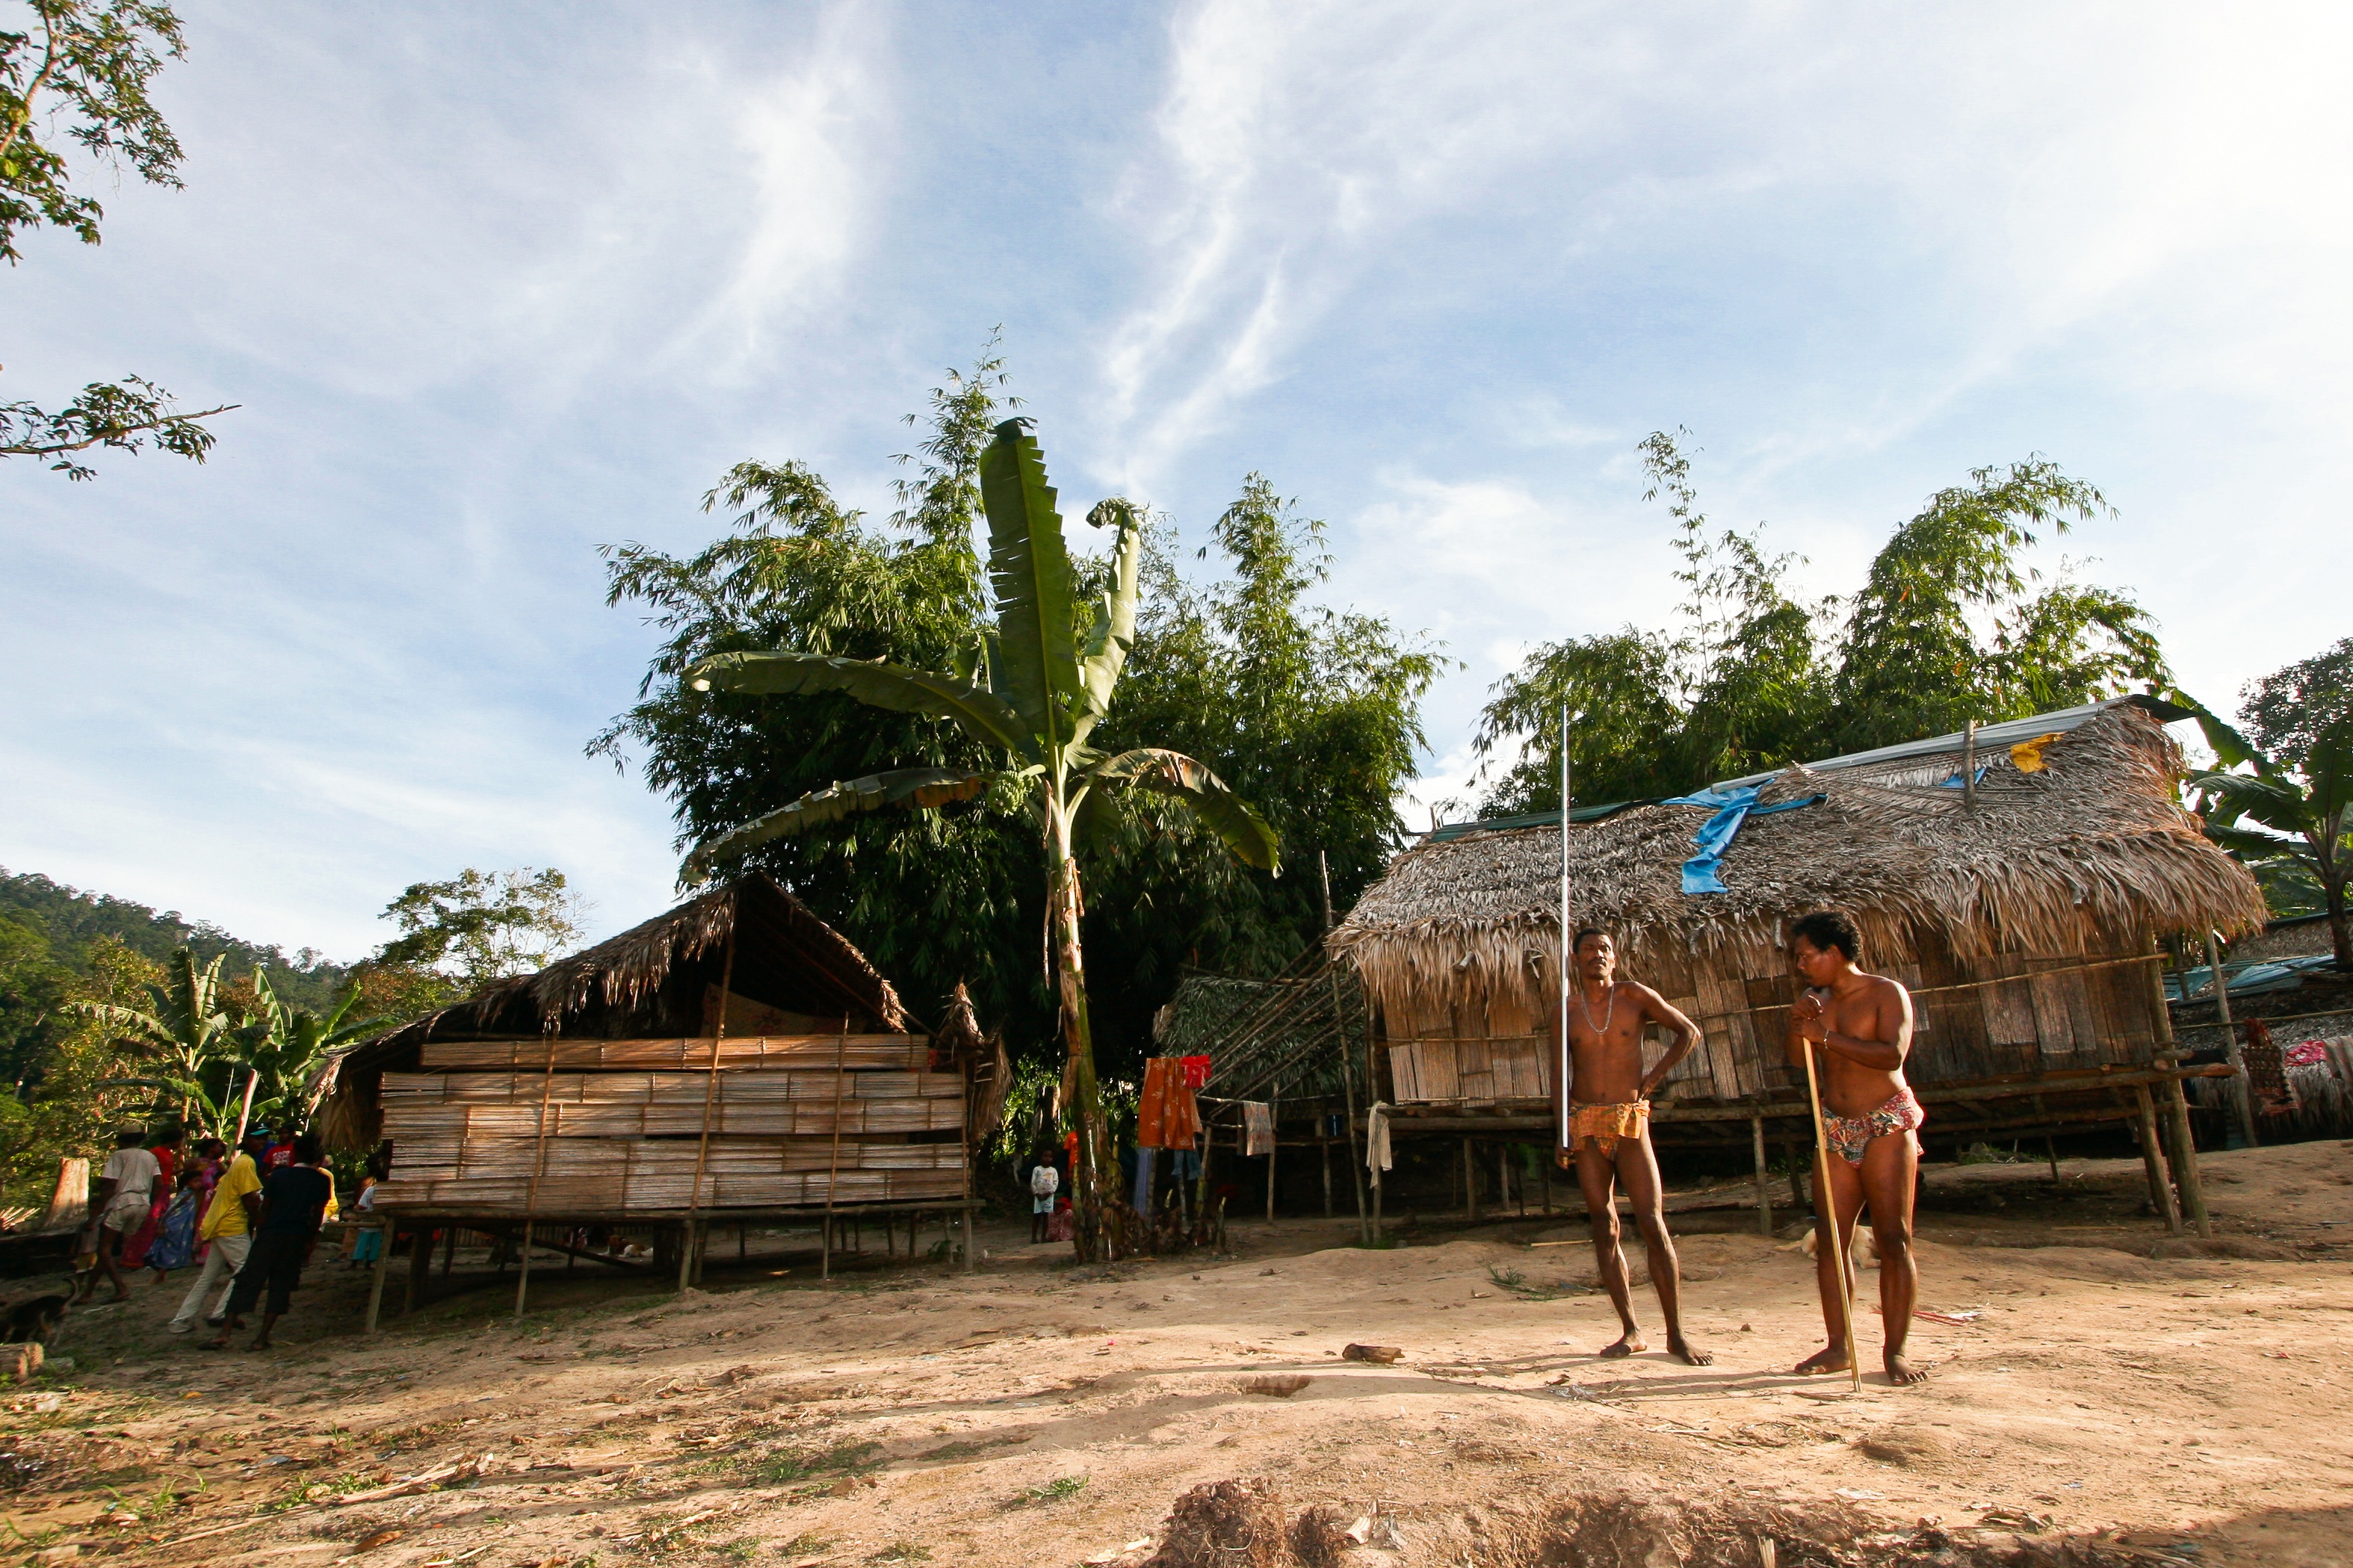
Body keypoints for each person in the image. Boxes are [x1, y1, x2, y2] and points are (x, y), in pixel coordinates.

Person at [1548, 929, 1712, 1366]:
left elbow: (1688, 1032)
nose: (1595, 956)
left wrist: (1653, 1079)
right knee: (1604, 1223)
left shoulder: (1635, 997)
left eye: (1603, 949)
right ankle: (1631, 1330)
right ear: (1575, 960)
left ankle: (1676, 1334)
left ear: (1614, 959)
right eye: (1587, 950)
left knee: (1652, 1221)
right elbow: (1557, 1076)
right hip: (1584, 1120)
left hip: (1629, 1120)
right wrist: (1561, 1131)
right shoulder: (1566, 1011)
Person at [1785, 908, 1927, 1386]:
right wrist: (1800, 1024)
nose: (1800, 964)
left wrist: (1827, 1035)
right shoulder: (1815, 1000)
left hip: (1886, 1120)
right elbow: (1798, 1057)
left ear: (1834, 953)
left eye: (1807, 955)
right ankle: (1840, 1347)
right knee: (1831, 1237)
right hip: (1836, 1127)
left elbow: (1893, 1053)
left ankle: (1895, 1352)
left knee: (1893, 1237)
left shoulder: (1887, 994)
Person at [206, 1130, 335, 1352]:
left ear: (295, 1154)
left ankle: (225, 1333)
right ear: (319, 1157)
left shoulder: (278, 1177)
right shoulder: (321, 1180)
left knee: (247, 1279)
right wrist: (309, 1241)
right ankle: (261, 1338)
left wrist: (261, 1227)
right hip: (295, 1236)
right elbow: (316, 1215)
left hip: (270, 1234)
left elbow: (265, 1207)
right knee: (281, 1286)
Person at [167, 1127, 268, 1334]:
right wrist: (261, 1223)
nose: (262, 1142)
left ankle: (181, 1320)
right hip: (231, 1224)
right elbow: (249, 1199)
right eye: (257, 1138)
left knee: (208, 1276)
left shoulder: (238, 1163)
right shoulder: (245, 1163)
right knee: (244, 1269)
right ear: (247, 1140)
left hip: (221, 1223)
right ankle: (221, 1312)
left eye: (264, 1138)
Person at [76, 1129, 161, 1304]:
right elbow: (158, 1183)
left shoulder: (118, 1156)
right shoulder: (149, 1157)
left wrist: (95, 1215)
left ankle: (120, 1288)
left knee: (104, 1249)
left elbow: (110, 1184)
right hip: (142, 1203)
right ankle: (88, 1293)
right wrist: (152, 1206)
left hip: (122, 1202)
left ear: (121, 1141)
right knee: (105, 1251)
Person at [1028, 1150, 1060, 1245]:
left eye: (1050, 1157)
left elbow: (1055, 1183)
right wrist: (1037, 1193)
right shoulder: (1037, 1170)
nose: (1047, 1159)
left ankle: (1043, 1237)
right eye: (1045, 1156)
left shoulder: (1053, 1171)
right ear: (1041, 1158)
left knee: (1046, 1216)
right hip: (1038, 1197)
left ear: (1052, 1159)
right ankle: (1034, 1237)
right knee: (1036, 1216)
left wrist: (1050, 1193)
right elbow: (1033, 1183)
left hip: (1049, 1197)